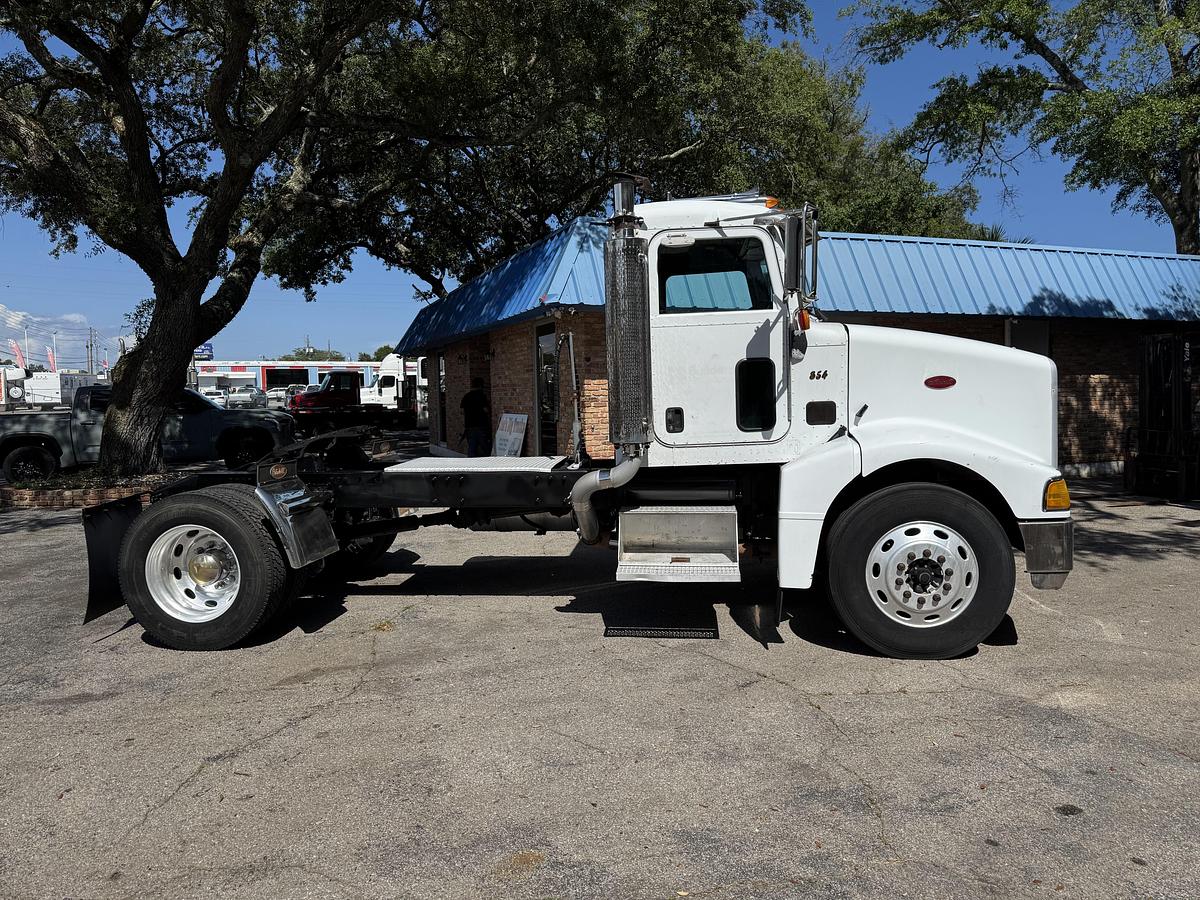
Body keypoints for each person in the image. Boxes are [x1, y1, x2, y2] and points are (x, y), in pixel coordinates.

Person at [461, 377, 491, 456]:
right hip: (481, 425)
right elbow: (486, 410)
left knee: (472, 449)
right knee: (486, 448)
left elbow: (462, 412)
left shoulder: (466, 396)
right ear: (481, 386)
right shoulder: (481, 396)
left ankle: (471, 466)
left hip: (469, 426)